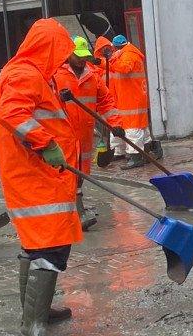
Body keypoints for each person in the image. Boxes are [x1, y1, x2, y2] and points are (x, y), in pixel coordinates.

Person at [0, 19, 82, 336]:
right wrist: (45, 143)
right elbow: (13, 113)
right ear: (46, 47)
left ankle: (37, 311)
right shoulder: (25, 74)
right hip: (37, 179)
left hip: (39, 177)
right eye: (59, 52)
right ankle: (33, 325)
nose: (61, 60)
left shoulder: (27, 72)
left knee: (36, 246)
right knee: (51, 247)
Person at [55, 36, 121, 229]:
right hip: (63, 133)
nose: (82, 60)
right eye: (78, 56)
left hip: (84, 134)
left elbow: (106, 101)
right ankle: (74, 211)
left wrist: (115, 124)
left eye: (85, 56)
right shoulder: (55, 75)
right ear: (69, 53)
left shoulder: (92, 75)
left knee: (81, 172)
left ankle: (76, 207)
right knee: (66, 173)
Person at [107, 34, 151, 168]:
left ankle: (136, 157)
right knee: (137, 128)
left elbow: (124, 68)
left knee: (133, 129)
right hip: (128, 99)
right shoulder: (127, 54)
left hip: (131, 99)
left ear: (116, 47)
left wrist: (111, 60)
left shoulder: (129, 55)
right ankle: (143, 151)